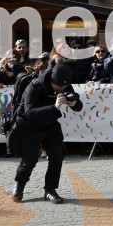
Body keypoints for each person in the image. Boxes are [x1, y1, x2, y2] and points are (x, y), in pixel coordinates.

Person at [11, 64, 83, 204]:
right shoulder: (34, 86)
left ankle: (50, 190)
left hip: (50, 124)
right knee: (29, 160)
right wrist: (55, 107)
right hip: (29, 125)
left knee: (57, 156)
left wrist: (74, 104)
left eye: (65, 87)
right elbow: (30, 113)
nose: (62, 89)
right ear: (51, 81)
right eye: (59, 87)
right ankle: (19, 186)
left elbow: (79, 106)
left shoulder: (64, 84)